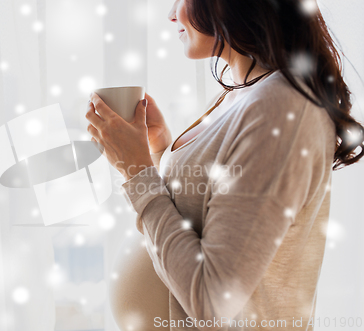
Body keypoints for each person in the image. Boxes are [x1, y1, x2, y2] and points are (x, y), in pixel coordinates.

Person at [85, 0, 364, 330]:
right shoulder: (245, 92)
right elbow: (207, 217)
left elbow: (213, 302)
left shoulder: (280, 108)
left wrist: (137, 172)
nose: (171, 14)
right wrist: (159, 151)